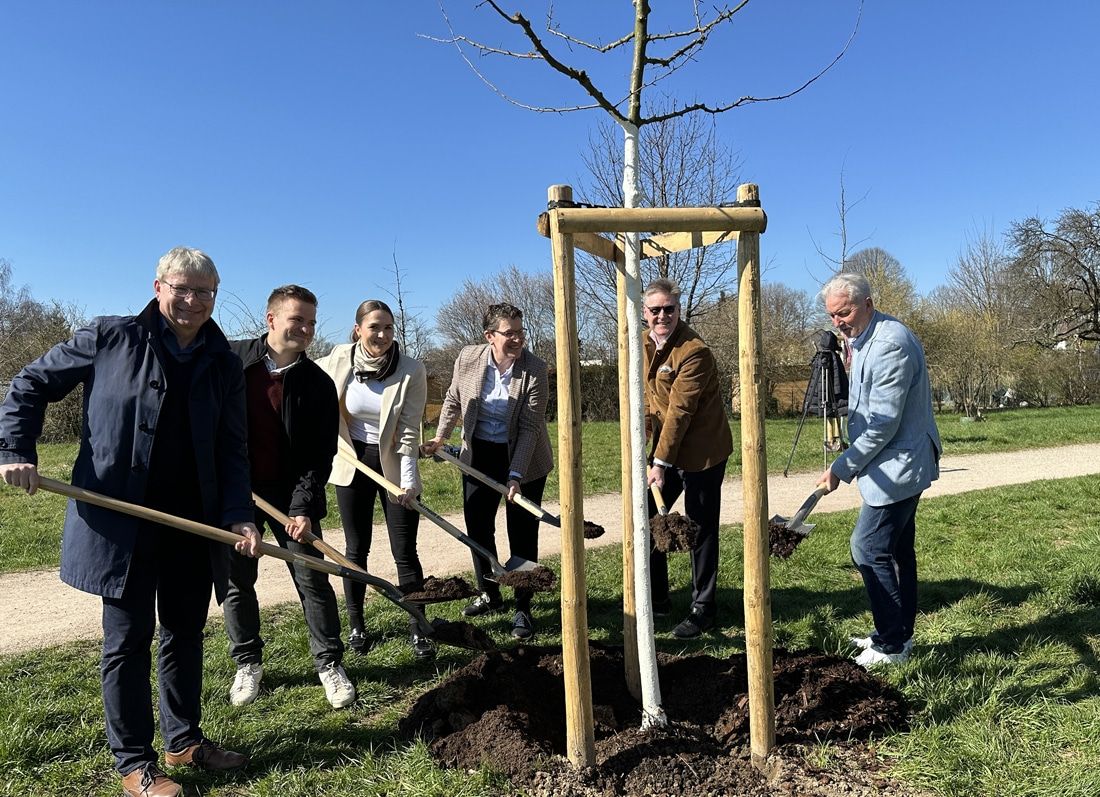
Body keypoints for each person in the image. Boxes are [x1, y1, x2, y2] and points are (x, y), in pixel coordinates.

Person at [0, 247, 261, 797]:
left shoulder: (223, 362)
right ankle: (135, 763)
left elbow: (233, 448)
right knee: (127, 641)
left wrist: (239, 514)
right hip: (121, 522)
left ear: (215, 296)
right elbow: (30, 383)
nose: (192, 301)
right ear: (158, 287)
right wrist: (15, 448)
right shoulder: (110, 337)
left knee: (185, 634)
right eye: (181, 288)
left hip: (192, 524)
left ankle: (183, 740)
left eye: (204, 292)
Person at [223, 285, 356, 709]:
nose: (306, 329)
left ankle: (329, 663)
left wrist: (302, 508)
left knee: (312, 577)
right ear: (272, 319)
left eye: (311, 322)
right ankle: (247, 662)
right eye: (297, 319)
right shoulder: (231, 362)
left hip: (291, 491)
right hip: (236, 490)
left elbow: (320, 455)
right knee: (237, 581)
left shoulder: (318, 384)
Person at [816, 272, 941, 668]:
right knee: (897, 550)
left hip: (900, 463)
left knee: (867, 548)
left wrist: (842, 467)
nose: (838, 322)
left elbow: (884, 423)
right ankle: (898, 633)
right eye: (832, 315)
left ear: (868, 303)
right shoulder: (866, 336)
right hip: (896, 460)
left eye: (844, 313)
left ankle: (891, 645)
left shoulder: (890, 345)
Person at [421, 302, 553, 640]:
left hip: (523, 458)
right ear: (489, 336)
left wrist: (515, 476)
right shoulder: (468, 358)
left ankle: (523, 607)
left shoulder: (534, 369)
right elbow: (453, 399)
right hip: (479, 455)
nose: (518, 339)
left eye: (521, 332)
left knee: (522, 532)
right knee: (478, 528)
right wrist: (440, 437)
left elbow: (530, 428)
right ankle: (490, 593)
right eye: (510, 333)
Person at [316, 300, 435, 659]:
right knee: (356, 549)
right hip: (352, 462)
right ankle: (356, 625)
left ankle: (419, 625)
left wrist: (408, 477)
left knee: (405, 549)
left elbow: (410, 429)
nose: (382, 335)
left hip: (394, 463)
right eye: (374, 327)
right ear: (358, 330)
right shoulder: (339, 359)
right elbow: (302, 377)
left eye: (388, 328)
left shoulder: (411, 370)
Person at [642, 278, 733, 639]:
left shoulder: (694, 351)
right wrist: (644, 436)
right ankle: (657, 599)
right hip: (665, 446)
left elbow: (681, 411)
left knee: (700, 527)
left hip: (702, 451)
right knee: (648, 518)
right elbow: (649, 395)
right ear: (645, 312)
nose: (662, 315)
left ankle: (703, 608)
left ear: (679, 310)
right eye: (655, 310)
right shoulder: (643, 343)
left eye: (669, 309)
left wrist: (660, 463)